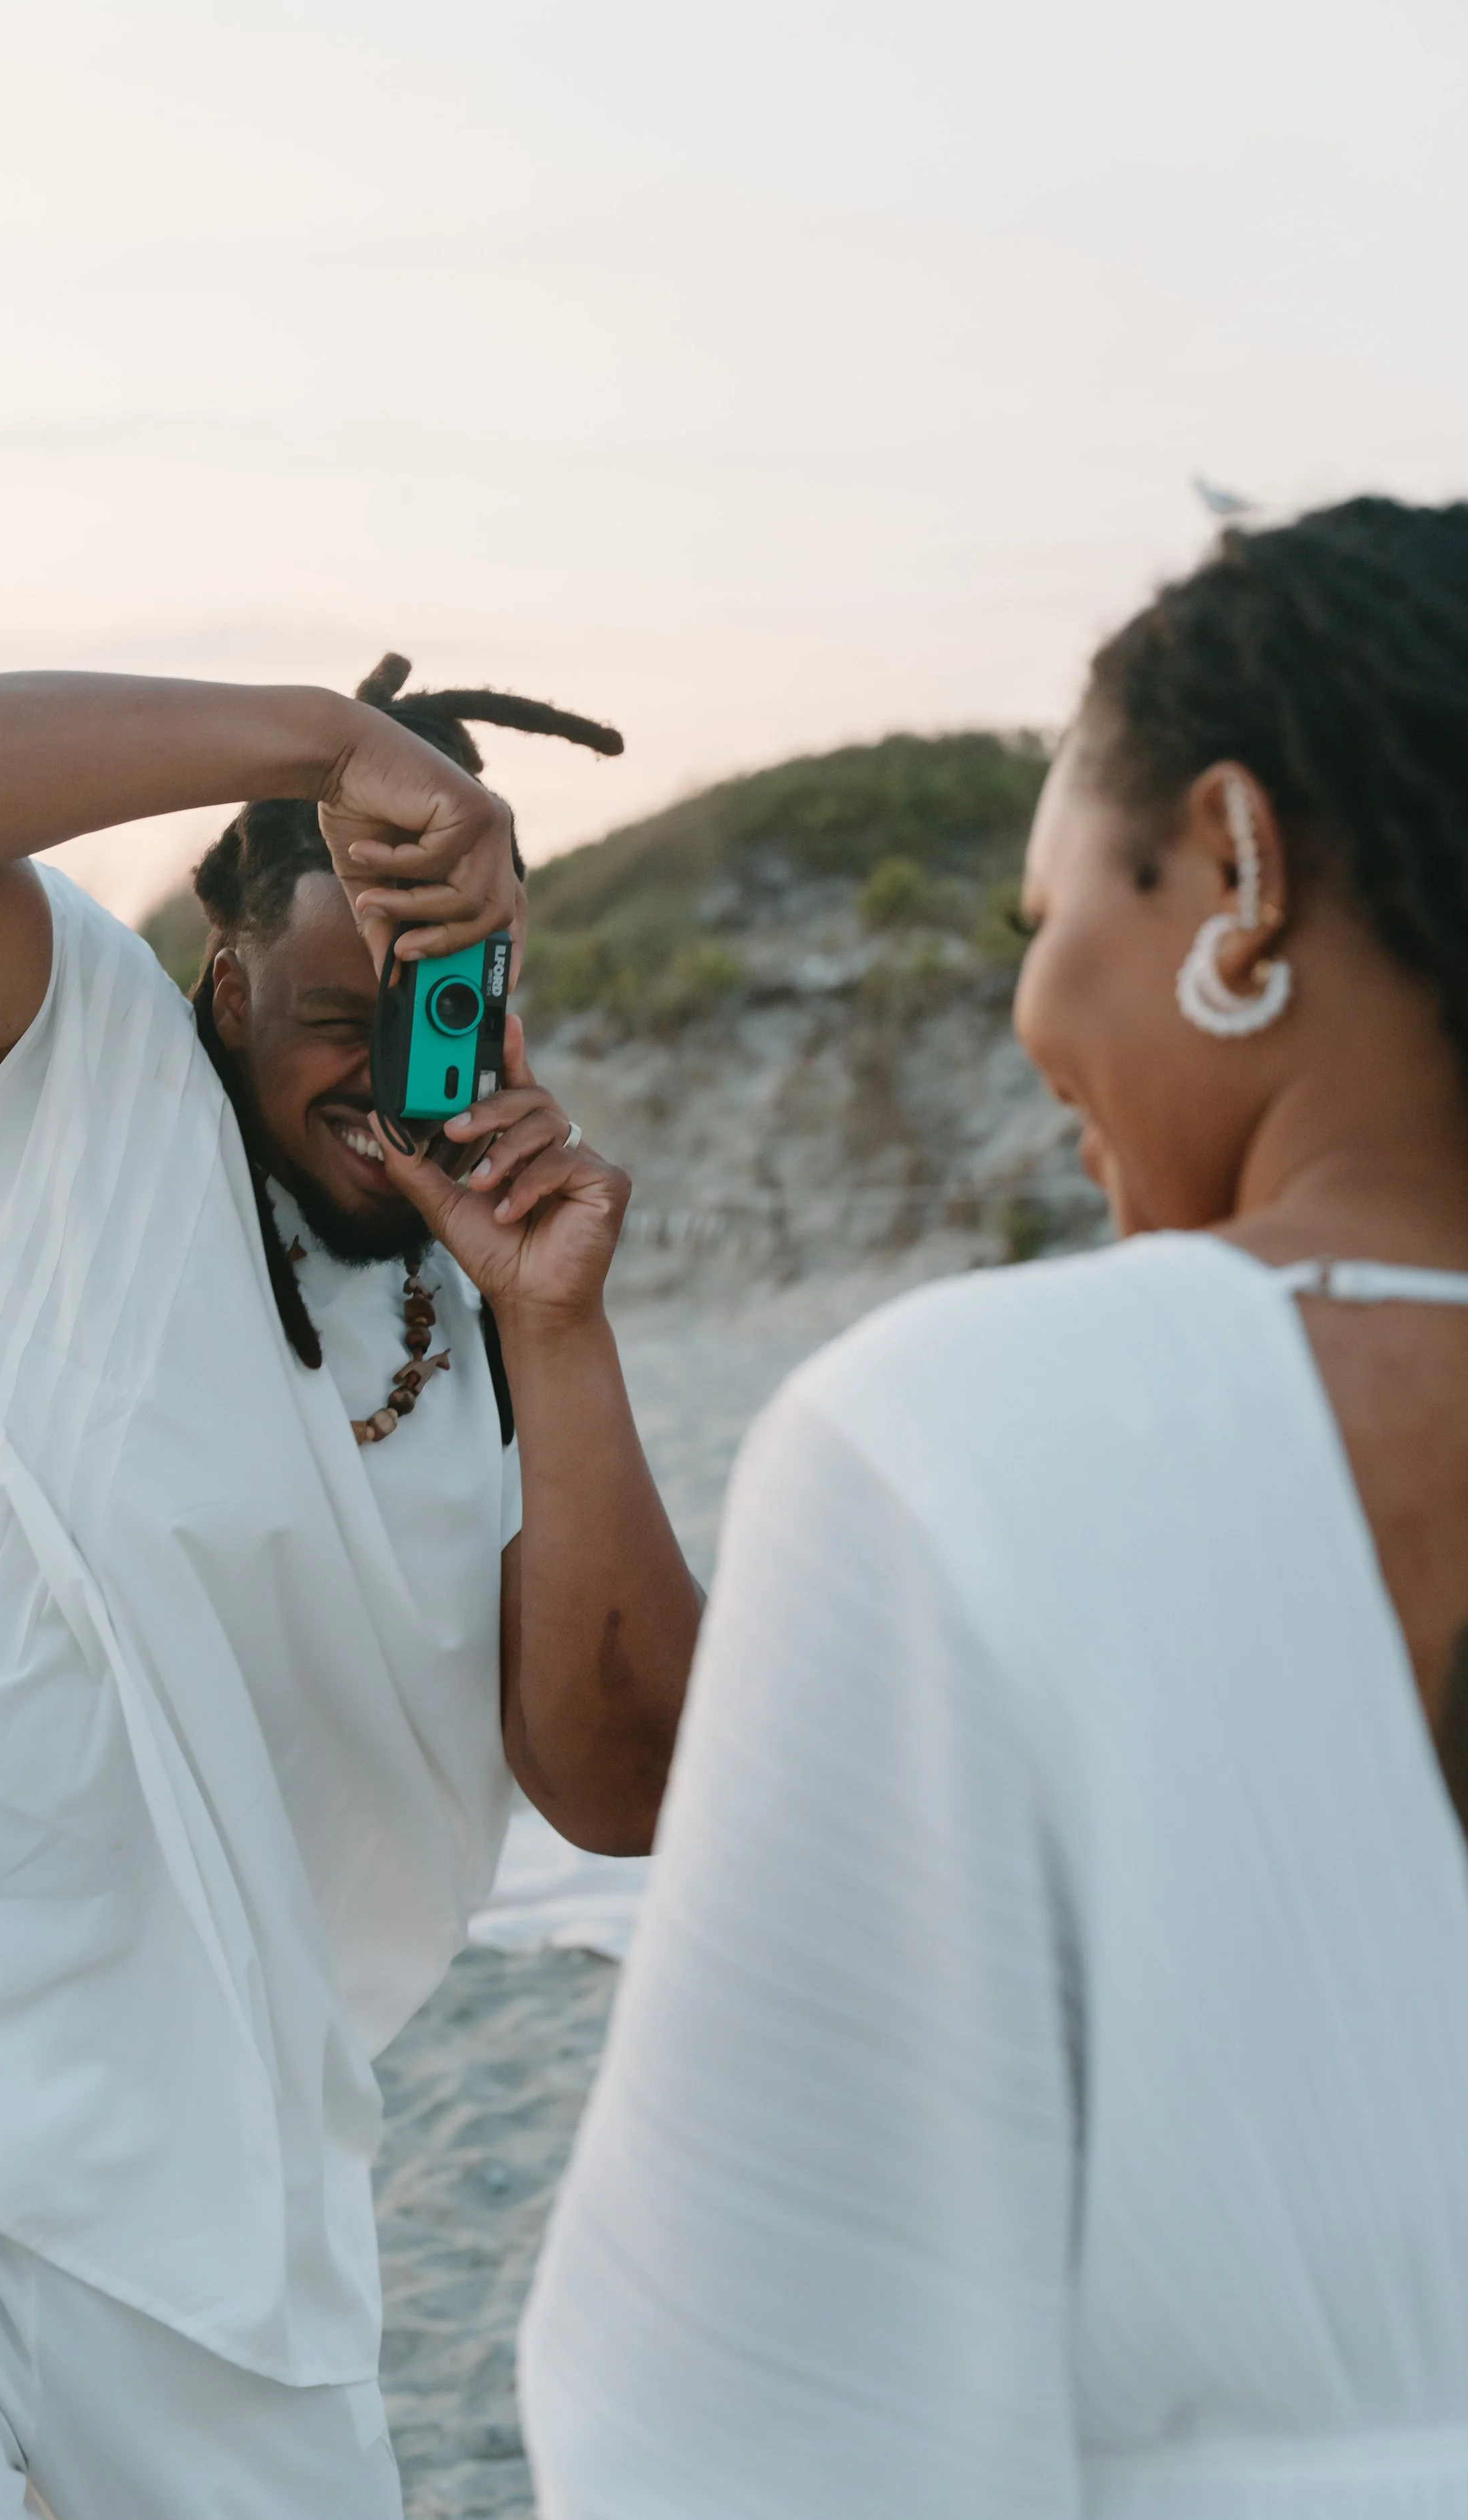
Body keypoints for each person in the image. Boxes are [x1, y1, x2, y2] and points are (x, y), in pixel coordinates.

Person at [521, 497, 1468, 2517]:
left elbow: (738, 2423)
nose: (1031, 1027)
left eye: (1041, 928)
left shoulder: (975, 1432)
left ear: (1235, 868)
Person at [0, 657, 701, 2519]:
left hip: (228, 2230)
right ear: (225, 981)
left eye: (434, 1007)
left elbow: (621, 1786)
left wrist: (562, 1324)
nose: (381, 1067)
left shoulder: (487, 1324)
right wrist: (318, 733)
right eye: (329, 1010)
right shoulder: (74, 1097)